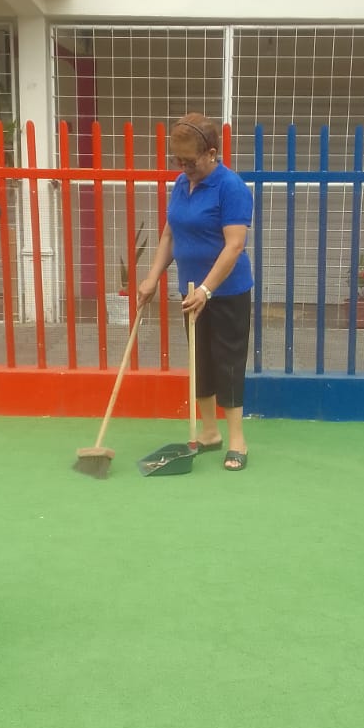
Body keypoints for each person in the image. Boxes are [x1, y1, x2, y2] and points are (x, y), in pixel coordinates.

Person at [136, 112, 253, 471]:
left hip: (227, 291)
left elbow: (234, 246)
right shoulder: (181, 184)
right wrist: (152, 277)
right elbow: (170, 234)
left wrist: (207, 289)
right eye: (179, 161)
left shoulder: (230, 187)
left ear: (212, 153)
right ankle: (209, 433)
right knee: (199, 360)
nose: (184, 168)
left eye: (190, 161)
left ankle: (237, 440)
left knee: (227, 362)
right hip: (191, 291)